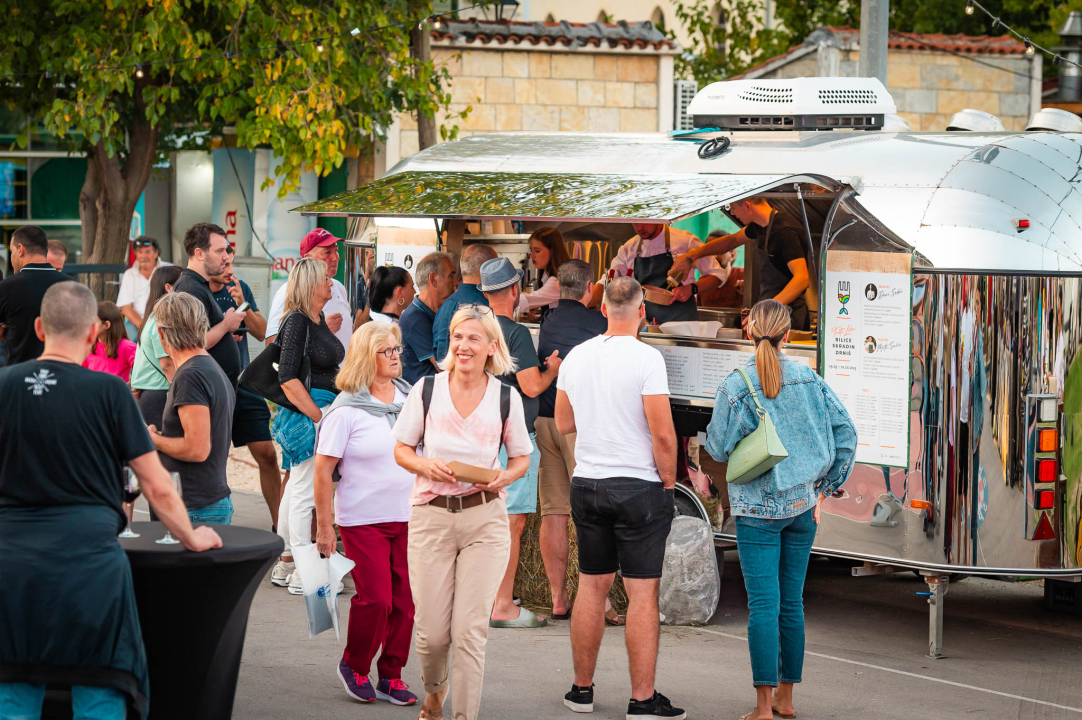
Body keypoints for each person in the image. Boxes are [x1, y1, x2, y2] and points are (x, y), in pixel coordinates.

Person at [0, 281, 221, 720]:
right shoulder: (111, 393)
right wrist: (192, 538)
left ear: (41, 328)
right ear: (92, 333)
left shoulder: (2, 385)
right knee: (99, 686)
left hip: (11, 566)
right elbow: (156, 485)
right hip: (89, 567)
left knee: (14, 690)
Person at [704, 299, 856, 720]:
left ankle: (762, 708)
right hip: (804, 508)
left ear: (749, 330)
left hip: (757, 511)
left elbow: (716, 447)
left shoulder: (736, 385)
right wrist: (824, 488)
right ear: (788, 335)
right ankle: (786, 701)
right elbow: (847, 432)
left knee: (764, 607)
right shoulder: (810, 378)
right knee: (792, 604)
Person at [392, 304, 533, 720]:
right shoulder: (427, 390)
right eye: (457, 336)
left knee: (470, 632)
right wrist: (424, 465)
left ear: (492, 346)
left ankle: (462, 716)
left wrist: (506, 477)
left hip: (485, 520)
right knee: (432, 635)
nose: (463, 345)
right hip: (431, 516)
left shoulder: (507, 396)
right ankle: (435, 692)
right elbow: (401, 448)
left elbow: (522, 458)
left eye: (473, 338)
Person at [555, 276, 684, 720]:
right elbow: (663, 435)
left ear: (604, 309)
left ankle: (581, 691)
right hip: (638, 486)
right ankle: (642, 699)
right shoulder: (648, 359)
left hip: (587, 482)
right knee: (642, 594)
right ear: (643, 313)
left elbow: (564, 423)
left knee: (592, 584)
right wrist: (668, 485)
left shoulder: (577, 355)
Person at [314, 322, 418, 707]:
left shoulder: (411, 398)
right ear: (365, 357)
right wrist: (326, 528)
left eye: (397, 349)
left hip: (409, 516)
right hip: (362, 520)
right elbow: (323, 471)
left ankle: (391, 675)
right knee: (376, 600)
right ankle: (354, 664)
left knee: (406, 602)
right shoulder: (345, 410)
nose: (396, 356)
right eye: (386, 351)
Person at [479, 257, 561, 629]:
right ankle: (501, 603)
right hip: (510, 440)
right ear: (514, 291)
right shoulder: (514, 333)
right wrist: (552, 370)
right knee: (512, 523)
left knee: (481, 520)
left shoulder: (471, 328)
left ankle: (484, 596)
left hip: (478, 437)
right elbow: (530, 386)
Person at [534, 260, 608, 620]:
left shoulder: (548, 320)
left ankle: (557, 597)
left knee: (554, 512)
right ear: (591, 287)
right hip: (578, 425)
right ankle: (602, 601)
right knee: (590, 513)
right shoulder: (598, 324)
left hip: (544, 421)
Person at [272, 257, 346, 595]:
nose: (331, 282)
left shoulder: (310, 319)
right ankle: (304, 567)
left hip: (314, 408)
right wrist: (318, 416)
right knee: (304, 489)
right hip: (310, 411)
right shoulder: (298, 321)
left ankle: (289, 558)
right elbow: (286, 377)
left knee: (298, 485)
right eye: (325, 279)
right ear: (310, 284)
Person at [148, 292, 237, 525]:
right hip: (203, 503)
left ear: (161, 333)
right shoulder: (207, 367)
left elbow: (197, 448)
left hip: (195, 506)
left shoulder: (190, 375)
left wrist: (153, 439)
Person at [209, 246, 281, 531]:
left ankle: (280, 526)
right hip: (212, 386)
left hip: (244, 382)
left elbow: (263, 332)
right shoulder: (198, 292)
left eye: (230, 261)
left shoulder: (240, 289)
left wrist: (244, 303)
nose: (228, 267)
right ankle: (215, 523)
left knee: (267, 453)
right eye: (223, 260)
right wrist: (226, 330)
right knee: (214, 457)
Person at [669, 198, 812, 330]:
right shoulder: (759, 227)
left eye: (732, 207)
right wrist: (691, 255)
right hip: (771, 316)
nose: (732, 212)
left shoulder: (785, 231)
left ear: (747, 206)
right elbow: (732, 241)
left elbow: (802, 279)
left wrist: (766, 310)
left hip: (788, 318)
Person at [587, 223, 726, 325]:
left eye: (645, 221)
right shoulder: (629, 248)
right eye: (634, 222)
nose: (639, 227)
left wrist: (692, 289)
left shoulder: (686, 241)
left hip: (683, 327)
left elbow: (718, 275)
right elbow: (608, 282)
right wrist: (579, 303)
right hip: (648, 328)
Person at [172, 223, 244, 386]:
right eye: (219, 251)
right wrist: (227, 324)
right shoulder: (190, 288)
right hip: (206, 388)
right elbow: (195, 343)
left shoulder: (198, 285)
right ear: (199, 253)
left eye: (225, 250)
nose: (225, 257)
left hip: (215, 387)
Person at [265, 228, 359, 352]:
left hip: (343, 371)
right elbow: (271, 343)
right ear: (307, 258)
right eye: (327, 252)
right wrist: (320, 330)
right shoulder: (289, 291)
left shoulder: (340, 288)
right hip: (311, 371)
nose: (336, 258)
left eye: (336, 250)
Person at [0, 225, 70, 366]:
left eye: (12, 251)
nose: (12, 258)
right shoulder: (71, 286)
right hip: (61, 374)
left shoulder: (6, 288)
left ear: (20, 250)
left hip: (19, 376)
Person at [131, 265, 184, 427]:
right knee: (163, 446)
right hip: (160, 393)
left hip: (153, 392)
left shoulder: (152, 317)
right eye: (183, 284)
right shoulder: (162, 320)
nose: (188, 289)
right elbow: (167, 364)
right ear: (168, 288)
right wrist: (186, 392)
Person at [432, 243, 497, 364]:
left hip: (447, 377)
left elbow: (440, 354)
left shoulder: (445, 306)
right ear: (489, 270)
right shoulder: (487, 306)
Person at [400, 252, 457, 384]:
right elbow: (443, 368)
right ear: (433, 280)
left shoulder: (436, 312)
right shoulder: (413, 318)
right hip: (423, 398)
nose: (455, 282)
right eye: (451, 276)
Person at [117, 236, 172, 341]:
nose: (143, 256)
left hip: (164, 321)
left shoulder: (169, 270)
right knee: (129, 339)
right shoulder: (129, 274)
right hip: (137, 323)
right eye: (139, 252)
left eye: (147, 251)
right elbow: (126, 308)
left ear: (156, 253)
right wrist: (143, 326)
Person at [517, 227, 571, 314]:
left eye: (537, 251)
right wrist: (540, 312)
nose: (531, 256)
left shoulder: (556, 282)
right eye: (531, 250)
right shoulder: (546, 276)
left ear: (553, 251)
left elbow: (528, 300)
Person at [82, 301, 137, 383]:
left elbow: (143, 372)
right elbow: (82, 374)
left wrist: (130, 385)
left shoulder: (127, 346)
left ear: (107, 325)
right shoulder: (88, 346)